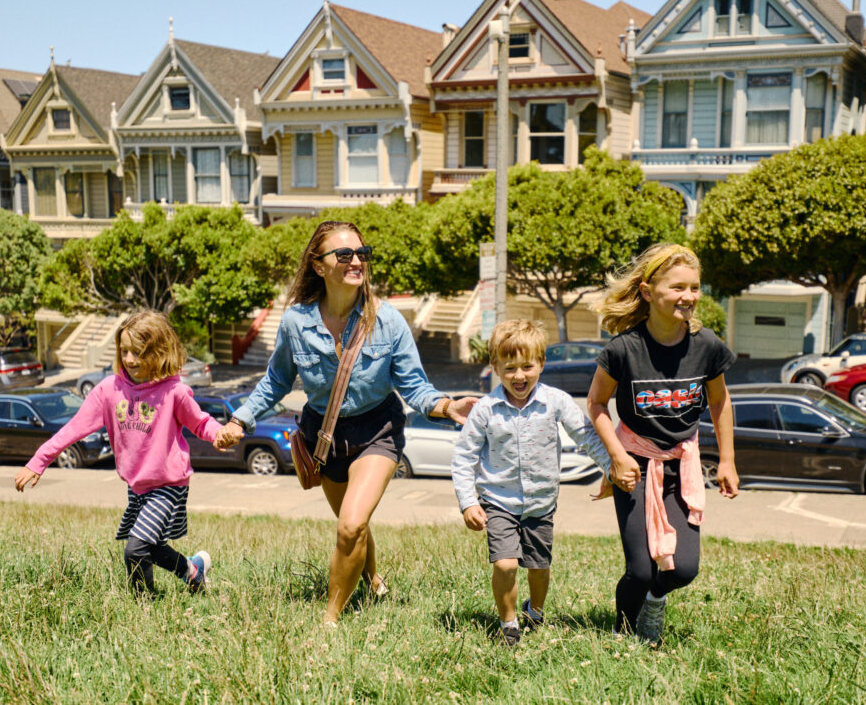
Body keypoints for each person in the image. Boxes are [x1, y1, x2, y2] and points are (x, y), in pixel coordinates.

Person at [216, 220, 477, 624]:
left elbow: (415, 386)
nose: (357, 261)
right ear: (319, 266)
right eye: (344, 254)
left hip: (377, 430)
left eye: (362, 253)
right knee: (352, 523)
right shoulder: (295, 323)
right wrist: (240, 421)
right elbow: (276, 381)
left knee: (351, 524)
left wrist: (446, 406)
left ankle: (331, 620)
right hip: (325, 437)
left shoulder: (387, 320)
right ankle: (373, 579)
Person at [14, 310, 237, 596]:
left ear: (159, 351)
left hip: (168, 484)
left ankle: (146, 604)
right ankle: (193, 572)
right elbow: (74, 428)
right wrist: (39, 460)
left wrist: (220, 434)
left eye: (139, 352)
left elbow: (202, 422)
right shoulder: (109, 389)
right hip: (137, 485)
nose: (130, 359)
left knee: (136, 548)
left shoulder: (174, 392)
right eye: (125, 351)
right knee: (152, 548)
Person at [586, 243, 739, 645]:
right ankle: (623, 629)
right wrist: (617, 458)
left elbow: (721, 401)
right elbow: (597, 404)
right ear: (648, 292)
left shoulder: (706, 346)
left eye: (694, 287)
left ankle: (654, 602)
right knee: (640, 568)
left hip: (682, 463)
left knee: (684, 569)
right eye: (678, 287)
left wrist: (727, 461)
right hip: (633, 466)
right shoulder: (623, 349)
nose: (688, 296)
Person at [450, 319, 610, 646]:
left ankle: (534, 612)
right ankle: (508, 624)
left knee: (539, 567)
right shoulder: (485, 410)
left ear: (542, 363)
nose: (519, 376)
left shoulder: (556, 402)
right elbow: (464, 457)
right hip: (498, 502)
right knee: (505, 564)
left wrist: (610, 466)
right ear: (495, 366)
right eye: (509, 368)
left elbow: (586, 437)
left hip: (541, 503)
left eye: (527, 366)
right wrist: (469, 502)